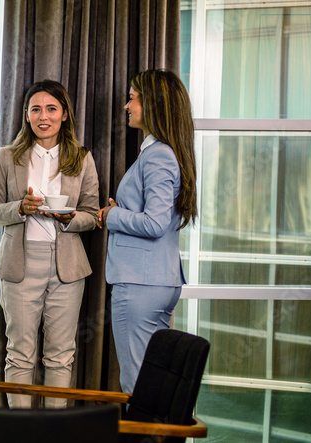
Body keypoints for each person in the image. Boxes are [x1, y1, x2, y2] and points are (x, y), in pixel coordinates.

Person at [0, 80, 100, 408]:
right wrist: (19, 208)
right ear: (26, 115)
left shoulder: (81, 158)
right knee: (19, 353)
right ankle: (20, 434)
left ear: (64, 115)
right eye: (36, 109)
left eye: (51, 109)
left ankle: (54, 434)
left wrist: (70, 218)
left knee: (61, 356)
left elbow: (91, 214)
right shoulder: (8, 157)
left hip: (67, 267)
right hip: (19, 265)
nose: (43, 116)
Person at [98, 69, 198, 394]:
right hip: (158, 281)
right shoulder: (164, 152)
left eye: (132, 98)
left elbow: (155, 224)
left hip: (140, 284)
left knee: (135, 384)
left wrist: (113, 216)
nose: (127, 106)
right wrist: (120, 212)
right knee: (151, 381)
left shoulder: (158, 156)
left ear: (153, 103)